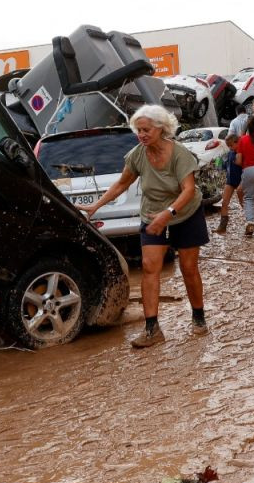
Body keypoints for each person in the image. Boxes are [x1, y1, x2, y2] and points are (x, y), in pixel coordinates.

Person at [78, 105, 209, 348]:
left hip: (185, 213)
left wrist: (167, 214)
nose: (142, 134)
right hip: (153, 216)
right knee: (149, 268)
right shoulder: (137, 155)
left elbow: (189, 190)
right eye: (139, 130)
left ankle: (198, 317)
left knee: (189, 269)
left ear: (161, 128)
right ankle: (152, 329)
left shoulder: (179, 154)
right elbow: (121, 184)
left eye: (146, 129)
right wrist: (97, 205)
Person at [214, 132, 242, 233]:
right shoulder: (230, 153)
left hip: (241, 181)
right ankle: (222, 227)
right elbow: (224, 164)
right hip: (230, 181)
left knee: (243, 203)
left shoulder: (241, 153)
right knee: (224, 202)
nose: (230, 147)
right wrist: (218, 165)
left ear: (237, 142)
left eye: (231, 145)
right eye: (228, 146)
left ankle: (253, 221)